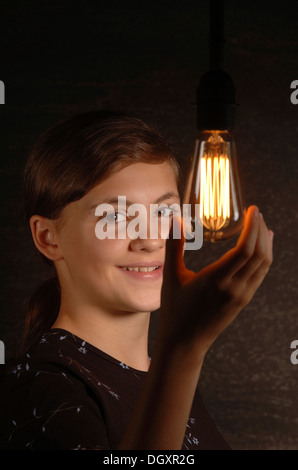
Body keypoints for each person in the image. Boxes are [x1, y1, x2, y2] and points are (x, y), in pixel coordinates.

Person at [0, 111, 273, 450]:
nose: (149, 239)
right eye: (114, 216)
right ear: (48, 238)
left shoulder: (156, 375)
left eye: (163, 212)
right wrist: (183, 348)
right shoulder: (39, 390)